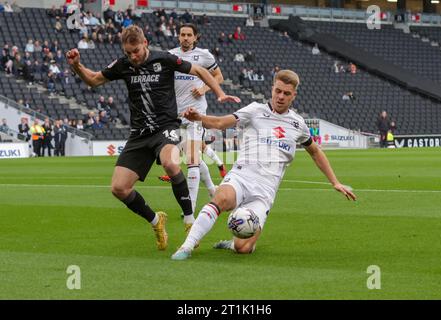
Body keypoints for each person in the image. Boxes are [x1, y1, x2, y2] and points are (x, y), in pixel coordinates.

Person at [66, 25, 240, 251]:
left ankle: (189, 222)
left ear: (145, 43)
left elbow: (200, 71)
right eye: (128, 53)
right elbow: (93, 80)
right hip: (139, 134)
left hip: (165, 127)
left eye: (136, 51)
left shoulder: (165, 59)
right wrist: (77, 66)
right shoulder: (123, 65)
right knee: (119, 188)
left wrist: (219, 93)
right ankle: (156, 222)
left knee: (170, 162)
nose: (133, 56)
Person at [171, 69, 356, 260]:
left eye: (286, 93)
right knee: (221, 198)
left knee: (243, 248)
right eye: (278, 91)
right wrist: (200, 118)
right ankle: (187, 246)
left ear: (294, 95)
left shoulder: (298, 124)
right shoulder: (255, 110)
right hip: (241, 177)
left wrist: (335, 182)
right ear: (272, 89)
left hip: (265, 192)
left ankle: (233, 243)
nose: (281, 96)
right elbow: (220, 123)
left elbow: (315, 151)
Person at [158, 23, 228, 215]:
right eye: (182, 34)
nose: (186, 38)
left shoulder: (204, 55)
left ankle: (190, 207)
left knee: (191, 159)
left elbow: (219, 76)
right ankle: (213, 189)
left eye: (189, 35)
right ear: (178, 36)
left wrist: (204, 89)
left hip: (196, 113)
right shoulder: (170, 55)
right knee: (193, 158)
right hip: (176, 114)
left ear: (196, 37)